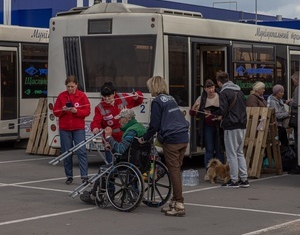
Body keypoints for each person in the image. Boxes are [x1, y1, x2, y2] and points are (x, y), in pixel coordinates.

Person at [138, 76, 189, 217]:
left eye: (149, 87)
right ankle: (174, 200)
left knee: (174, 172)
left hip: (172, 138)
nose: (149, 89)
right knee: (176, 170)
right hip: (183, 135)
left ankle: (179, 204)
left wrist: (144, 138)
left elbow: (154, 124)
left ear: (153, 87)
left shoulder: (157, 101)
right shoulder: (171, 98)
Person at [80, 108, 146, 204]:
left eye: (120, 119)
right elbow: (128, 146)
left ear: (126, 119)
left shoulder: (131, 131)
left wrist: (109, 137)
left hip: (129, 162)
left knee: (104, 169)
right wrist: (112, 145)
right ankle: (132, 192)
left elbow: (120, 149)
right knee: (110, 166)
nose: (119, 121)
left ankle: (96, 195)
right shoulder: (140, 127)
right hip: (141, 160)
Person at [212, 71, 249, 189]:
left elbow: (222, 110)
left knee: (231, 154)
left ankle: (234, 180)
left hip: (231, 125)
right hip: (242, 124)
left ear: (219, 82)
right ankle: (244, 179)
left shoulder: (224, 92)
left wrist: (213, 112)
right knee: (239, 152)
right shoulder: (239, 91)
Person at [91, 82, 143, 163]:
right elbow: (96, 120)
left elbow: (138, 99)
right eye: (104, 96)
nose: (107, 99)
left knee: (125, 163)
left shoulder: (122, 98)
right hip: (111, 140)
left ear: (114, 93)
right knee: (112, 165)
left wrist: (137, 96)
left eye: (109, 96)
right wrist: (95, 128)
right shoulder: (99, 107)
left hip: (125, 138)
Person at [53, 75, 91, 185]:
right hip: (65, 128)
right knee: (67, 153)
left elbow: (87, 111)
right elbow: (55, 112)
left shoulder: (82, 96)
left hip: (78, 128)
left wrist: (76, 112)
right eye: (68, 86)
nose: (70, 89)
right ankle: (69, 176)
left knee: (81, 152)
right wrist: (63, 110)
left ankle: (84, 176)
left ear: (76, 85)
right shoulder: (61, 96)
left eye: (72, 86)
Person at [189, 79, 224, 180]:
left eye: (212, 87)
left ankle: (220, 172)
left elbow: (224, 109)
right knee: (209, 149)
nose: (211, 90)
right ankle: (209, 172)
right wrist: (194, 108)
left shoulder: (220, 96)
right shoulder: (201, 98)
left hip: (219, 126)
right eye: (208, 88)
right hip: (207, 126)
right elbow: (192, 113)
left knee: (219, 149)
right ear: (205, 89)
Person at [267, 84, 295, 172]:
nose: (282, 93)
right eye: (280, 92)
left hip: (281, 127)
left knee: (284, 145)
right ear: (276, 93)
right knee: (280, 145)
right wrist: (288, 113)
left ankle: (284, 163)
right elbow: (277, 115)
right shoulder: (273, 101)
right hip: (276, 127)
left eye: (283, 91)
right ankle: (281, 163)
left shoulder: (280, 100)